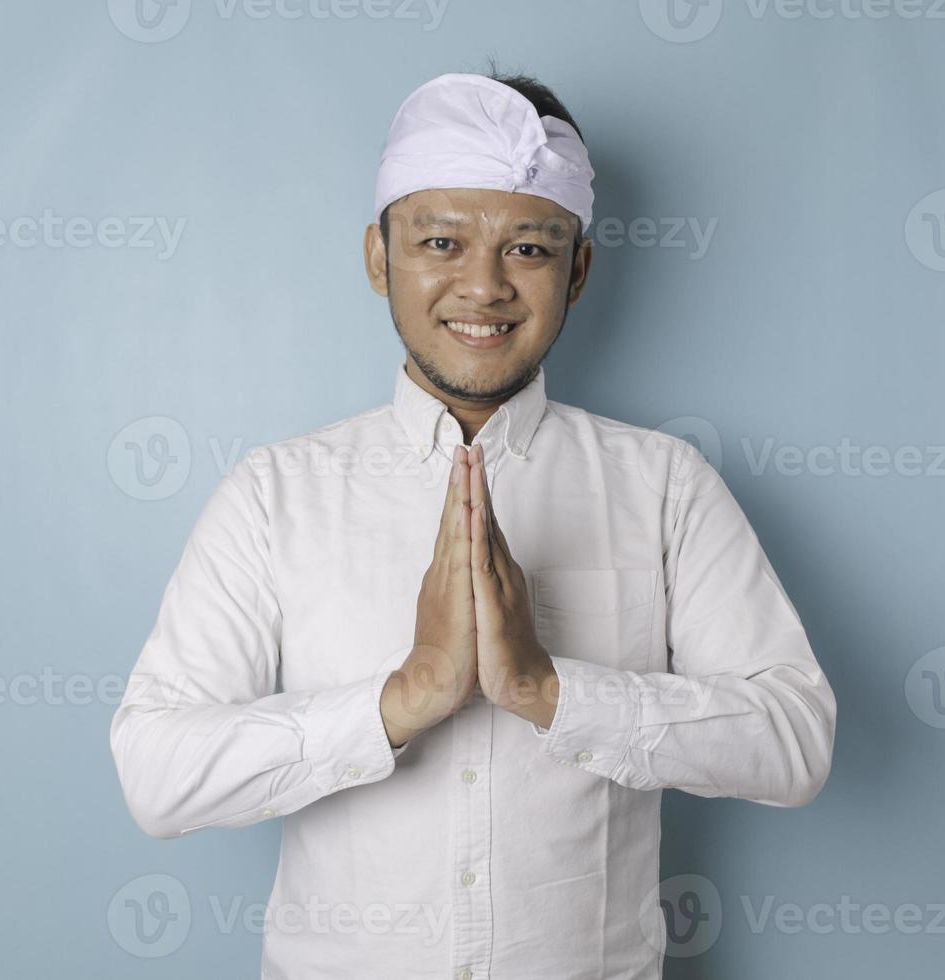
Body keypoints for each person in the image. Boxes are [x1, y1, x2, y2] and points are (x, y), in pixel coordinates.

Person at [109, 67, 837, 980]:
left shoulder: (665, 486)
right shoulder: (273, 495)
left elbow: (795, 738)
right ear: (379, 257)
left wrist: (550, 690)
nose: (482, 286)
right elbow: (157, 773)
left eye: (528, 249)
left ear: (578, 269)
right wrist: (402, 699)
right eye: (441, 241)